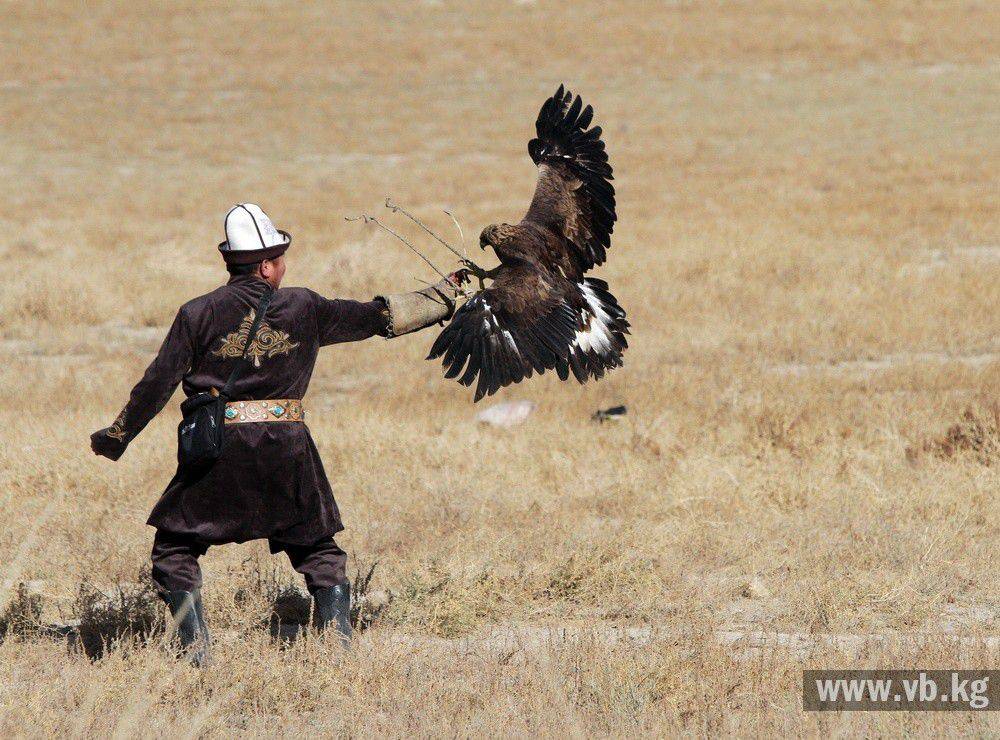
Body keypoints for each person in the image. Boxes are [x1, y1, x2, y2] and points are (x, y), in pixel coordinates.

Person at [90, 203, 464, 664]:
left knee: (174, 550)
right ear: (266, 266)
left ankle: (196, 654)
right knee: (317, 546)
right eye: (280, 258)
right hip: (287, 446)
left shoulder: (197, 313)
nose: (283, 266)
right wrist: (442, 295)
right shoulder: (305, 306)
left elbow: (157, 383)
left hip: (219, 449)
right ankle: (339, 648)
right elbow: (376, 319)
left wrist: (119, 434)